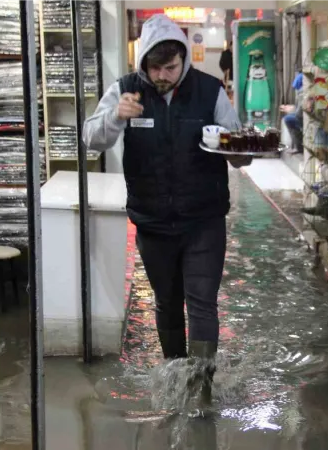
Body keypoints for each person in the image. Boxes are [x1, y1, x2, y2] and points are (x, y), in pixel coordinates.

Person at [82, 14, 251, 412]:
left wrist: (240, 151)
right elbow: (91, 139)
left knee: (203, 302)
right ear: (143, 62)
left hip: (203, 219)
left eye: (170, 67)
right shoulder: (126, 91)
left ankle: (202, 390)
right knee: (166, 302)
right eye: (154, 68)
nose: (162, 75)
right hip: (153, 221)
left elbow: (239, 147)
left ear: (183, 61)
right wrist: (114, 116)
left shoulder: (209, 91)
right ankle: (176, 377)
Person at [280, 72, 304, 154]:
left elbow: (299, 114)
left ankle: (298, 147)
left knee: (288, 119)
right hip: (304, 116)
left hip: (306, 119)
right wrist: (292, 108)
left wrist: (290, 110)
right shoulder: (304, 91)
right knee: (290, 117)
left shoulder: (302, 93)